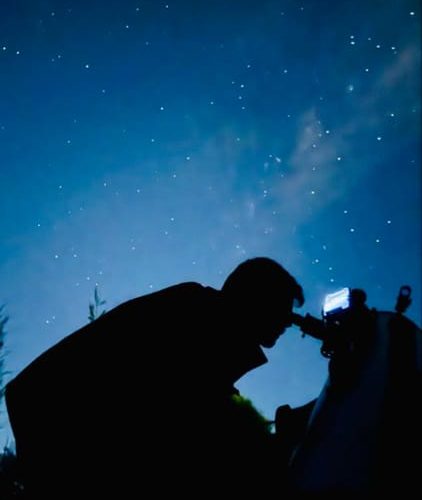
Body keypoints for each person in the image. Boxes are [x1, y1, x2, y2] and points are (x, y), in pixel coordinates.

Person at [5, 257, 304, 497]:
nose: (287, 324)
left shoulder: (202, 318)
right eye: (283, 311)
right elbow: (201, 412)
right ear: (258, 299)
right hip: (70, 453)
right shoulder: (196, 316)